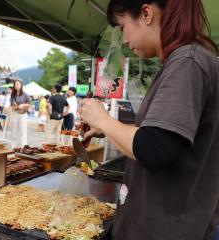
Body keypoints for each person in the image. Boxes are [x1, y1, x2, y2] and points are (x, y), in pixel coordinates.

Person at [80, 1, 219, 239]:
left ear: (146, 14)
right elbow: (170, 138)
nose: (123, 40)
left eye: (123, 26)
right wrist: (112, 130)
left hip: (163, 228)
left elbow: (155, 147)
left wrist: (103, 119)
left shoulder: (187, 61)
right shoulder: (191, 59)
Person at [10, 80, 30, 148]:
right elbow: (12, 105)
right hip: (15, 113)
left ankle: (24, 146)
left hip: (23, 114)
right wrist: (14, 106)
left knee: (23, 131)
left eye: (18, 84)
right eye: (15, 84)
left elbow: (29, 104)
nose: (17, 86)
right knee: (13, 131)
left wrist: (23, 105)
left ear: (21, 85)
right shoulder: (13, 94)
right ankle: (13, 147)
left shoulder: (25, 94)